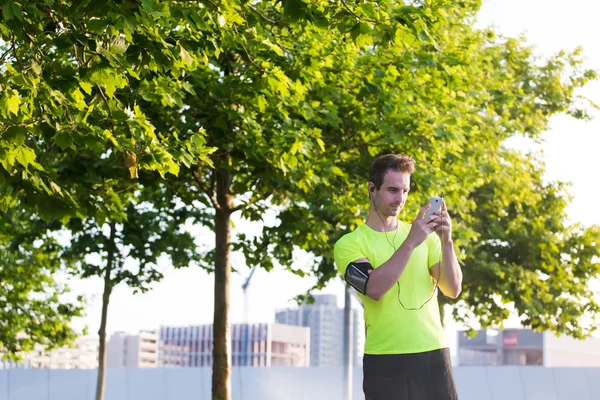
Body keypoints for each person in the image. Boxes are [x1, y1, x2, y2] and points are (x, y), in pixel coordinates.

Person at [333, 154, 462, 400]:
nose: (400, 199)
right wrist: (411, 241)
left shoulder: (426, 237)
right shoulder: (349, 244)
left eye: (405, 191)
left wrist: (447, 242)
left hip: (433, 353)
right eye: (393, 190)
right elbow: (374, 288)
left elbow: (453, 289)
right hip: (385, 359)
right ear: (372, 189)